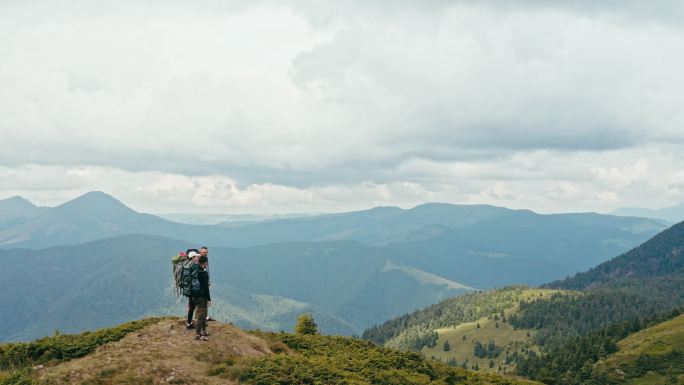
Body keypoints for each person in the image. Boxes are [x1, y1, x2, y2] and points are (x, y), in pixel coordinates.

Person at [193, 255, 211, 340]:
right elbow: (205, 288)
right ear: (205, 263)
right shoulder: (203, 273)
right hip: (202, 297)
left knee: (202, 313)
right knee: (202, 315)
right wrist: (209, 299)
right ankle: (198, 334)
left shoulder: (195, 270)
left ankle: (203, 331)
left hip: (194, 296)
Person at [185, 251, 201, 329]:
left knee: (192, 307)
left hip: (190, 289)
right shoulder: (194, 266)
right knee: (197, 305)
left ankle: (189, 323)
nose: (198, 257)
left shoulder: (188, 265)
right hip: (195, 289)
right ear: (193, 257)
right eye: (196, 256)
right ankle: (199, 323)